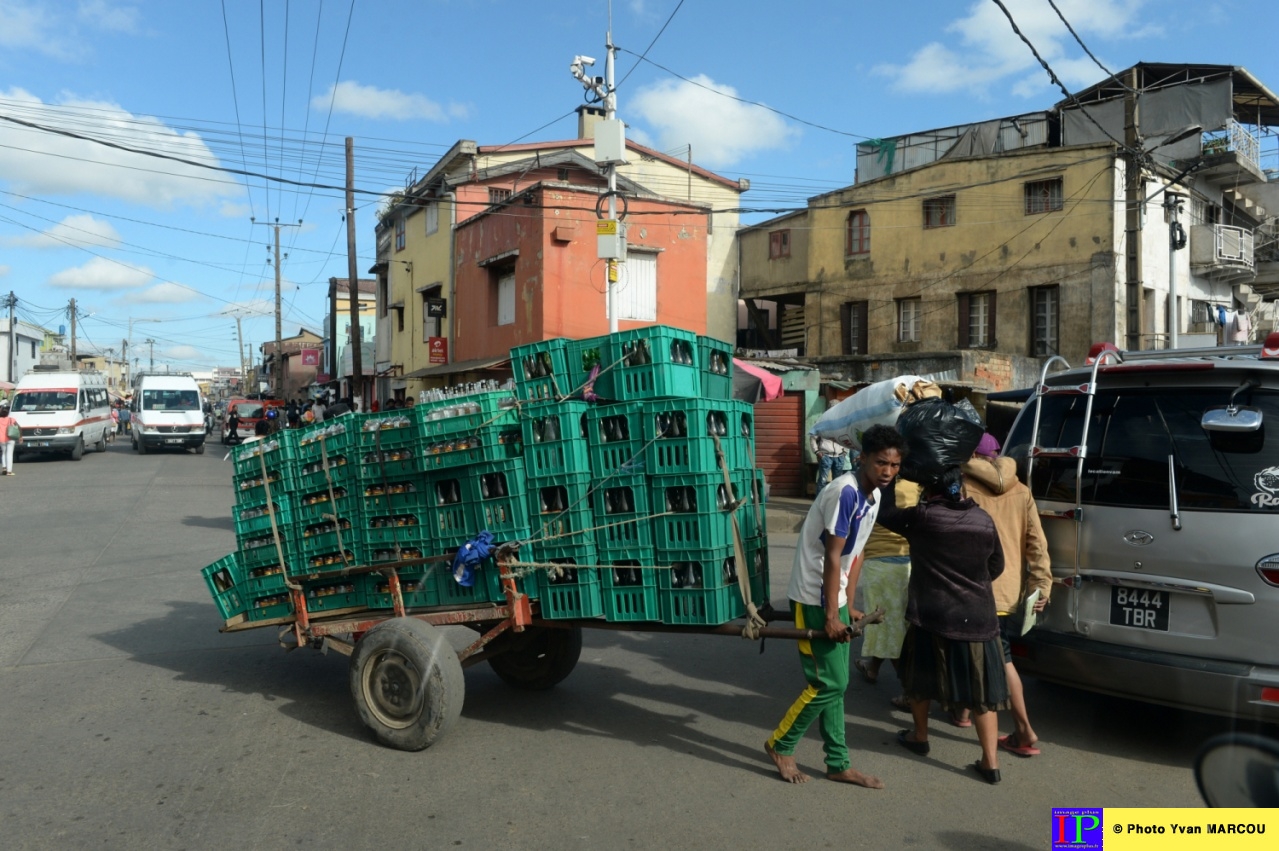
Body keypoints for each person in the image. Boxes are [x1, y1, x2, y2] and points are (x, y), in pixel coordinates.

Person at [765, 423, 906, 789]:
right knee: (827, 682)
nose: (887, 471)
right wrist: (830, 613)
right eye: (880, 463)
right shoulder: (845, 492)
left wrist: (849, 603)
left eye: (894, 465)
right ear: (862, 459)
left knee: (836, 685)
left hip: (834, 594)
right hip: (814, 594)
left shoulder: (873, 496)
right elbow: (832, 556)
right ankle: (781, 744)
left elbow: (855, 554)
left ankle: (837, 762)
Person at [877, 466, 1008, 785]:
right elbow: (996, 565)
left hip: (932, 615)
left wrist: (892, 475)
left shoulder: (922, 517)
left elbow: (886, 513)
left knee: (920, 678)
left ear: (928, 489)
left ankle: (919, 737)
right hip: (977, 618)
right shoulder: (983, 520)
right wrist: (971, 586)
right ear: (960, 488)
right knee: (982, 694)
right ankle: (990, 763)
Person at [952, 433, 1051, 755]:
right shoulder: (1021, 490)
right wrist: (1041, 586)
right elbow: (1037, 544)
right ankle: (964, 711)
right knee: (989, 651)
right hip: (1007, 591)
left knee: (999, 658)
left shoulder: (963, 487)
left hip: (971, 586)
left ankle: (1024, 730)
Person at [852, 477, 922, 711]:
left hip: (880, 563)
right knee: (893, 625)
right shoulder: (916, 485)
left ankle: (910, 693)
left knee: (889, 628)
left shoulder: (870, 486)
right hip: (910, 561)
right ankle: (872, 668)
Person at [810, 429, 850, 495]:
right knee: (823, 480)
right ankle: (819, 502)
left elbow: (846, 438)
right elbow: (813, 437)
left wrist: (844, 452)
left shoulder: (841, 426)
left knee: (837, 481)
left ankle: (834, 501)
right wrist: (817, 452)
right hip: (826, 456)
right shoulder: (823, 426)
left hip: (839, 456)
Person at [0, 402, 21, 475]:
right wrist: (20, 436)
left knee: (3, 453)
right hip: (10, 438)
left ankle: (4, 467)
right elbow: (18, 427)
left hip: (1, 439)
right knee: (9, 454)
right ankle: (9, 471)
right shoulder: (11, 419)